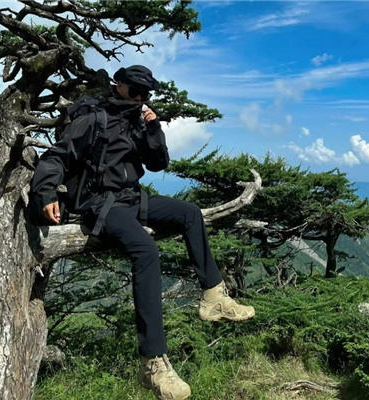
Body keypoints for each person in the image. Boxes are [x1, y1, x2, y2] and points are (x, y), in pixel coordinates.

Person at [31, 65, 255, 400]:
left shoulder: (138, 119)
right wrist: (47, 192)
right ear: (118, 85)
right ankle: (153, 362)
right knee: (146, 251)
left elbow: (158, 163)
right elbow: (56, 157)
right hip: (101, 203)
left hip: (133, 197)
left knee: (191, 213)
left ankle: (214, 297)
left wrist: (153, 127)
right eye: (134, 91)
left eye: (145, 93)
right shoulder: (93, 118)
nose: (139, 98)